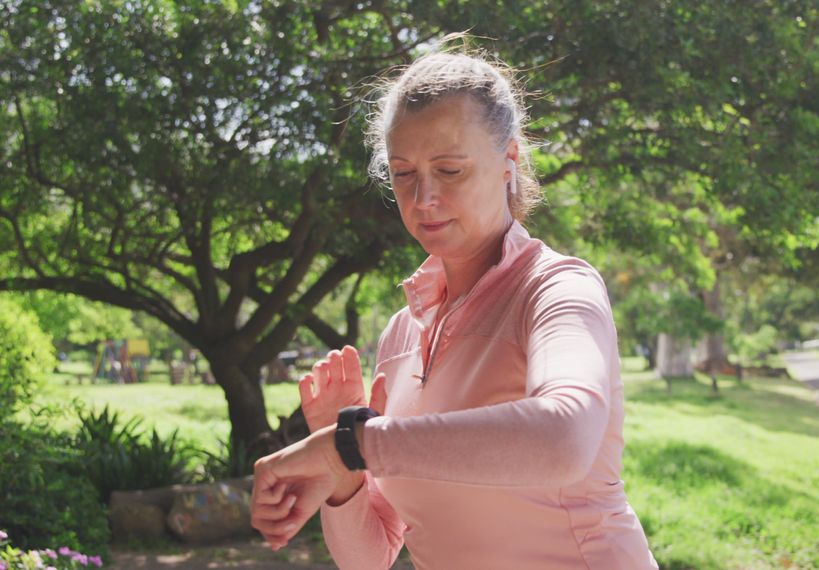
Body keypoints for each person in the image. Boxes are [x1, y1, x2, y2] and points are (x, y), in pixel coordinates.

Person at [249, 42, 659, 570]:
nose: (423, 200)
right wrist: (345, 477)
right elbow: (370, 557)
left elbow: (565, 436)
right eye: (403, 173)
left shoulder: (557, 288)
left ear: (508, 160)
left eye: (450, 170)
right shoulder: (402, 333)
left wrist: (351, 444)